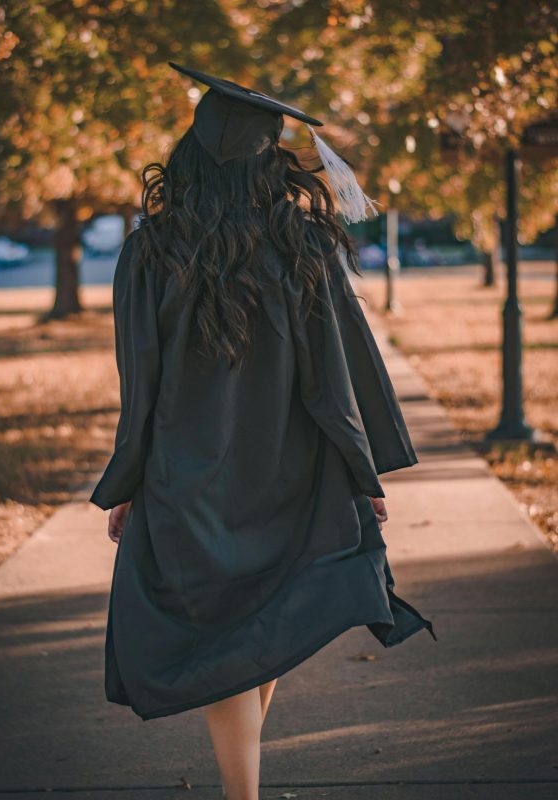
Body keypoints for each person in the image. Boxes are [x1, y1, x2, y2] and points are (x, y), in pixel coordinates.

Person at [89, 62, 437, 800]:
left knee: (233, 634)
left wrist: (130, 481)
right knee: (250, 631)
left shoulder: (150, 251)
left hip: (190, 476)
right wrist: (357, 471)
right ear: (269, 161)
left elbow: (139, 385)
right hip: (291, 468)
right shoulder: (302, 245)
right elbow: (337, 378)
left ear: (189, 156)